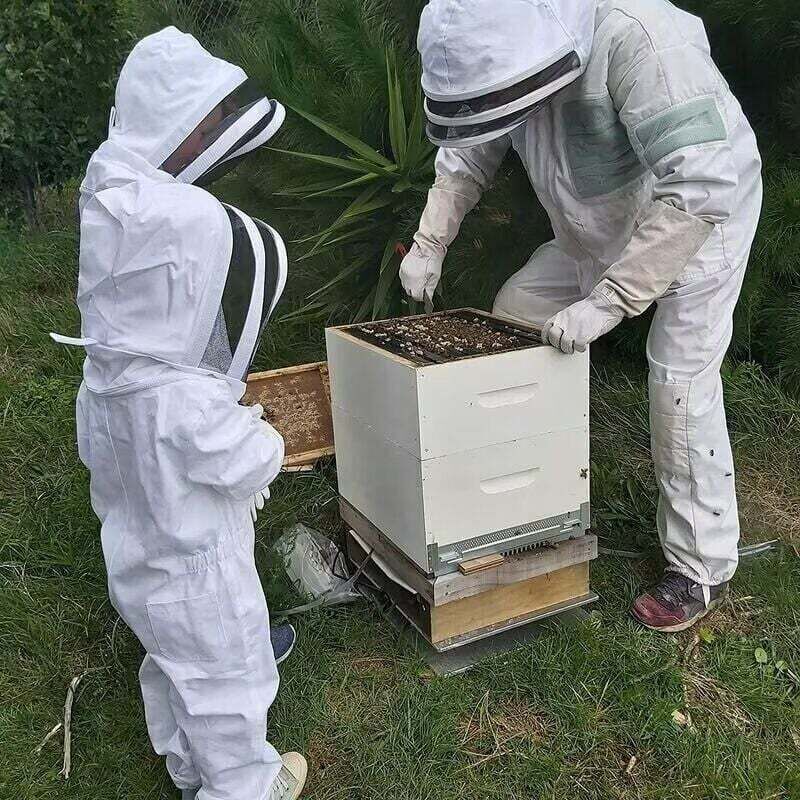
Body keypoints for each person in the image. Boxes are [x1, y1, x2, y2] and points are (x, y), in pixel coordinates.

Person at [402, 0, 762, 632]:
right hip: (596, 229)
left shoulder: (642, 38)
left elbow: (702, 185)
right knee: (517, 312)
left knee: (679, 386)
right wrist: (430, 241)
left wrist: (608, 302)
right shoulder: (506, 51)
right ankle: (532, 494)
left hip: (699, 228)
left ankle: (699, 564)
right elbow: (470, 152)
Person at [52, 27, 307, 800]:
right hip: (200, 567)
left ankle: (185, 763)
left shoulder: (105, 380)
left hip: (144, 562)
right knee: (228, 673)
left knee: (170, 658)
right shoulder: (184, 401)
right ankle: (244, 785)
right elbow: (243, 458)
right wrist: (269, 438)